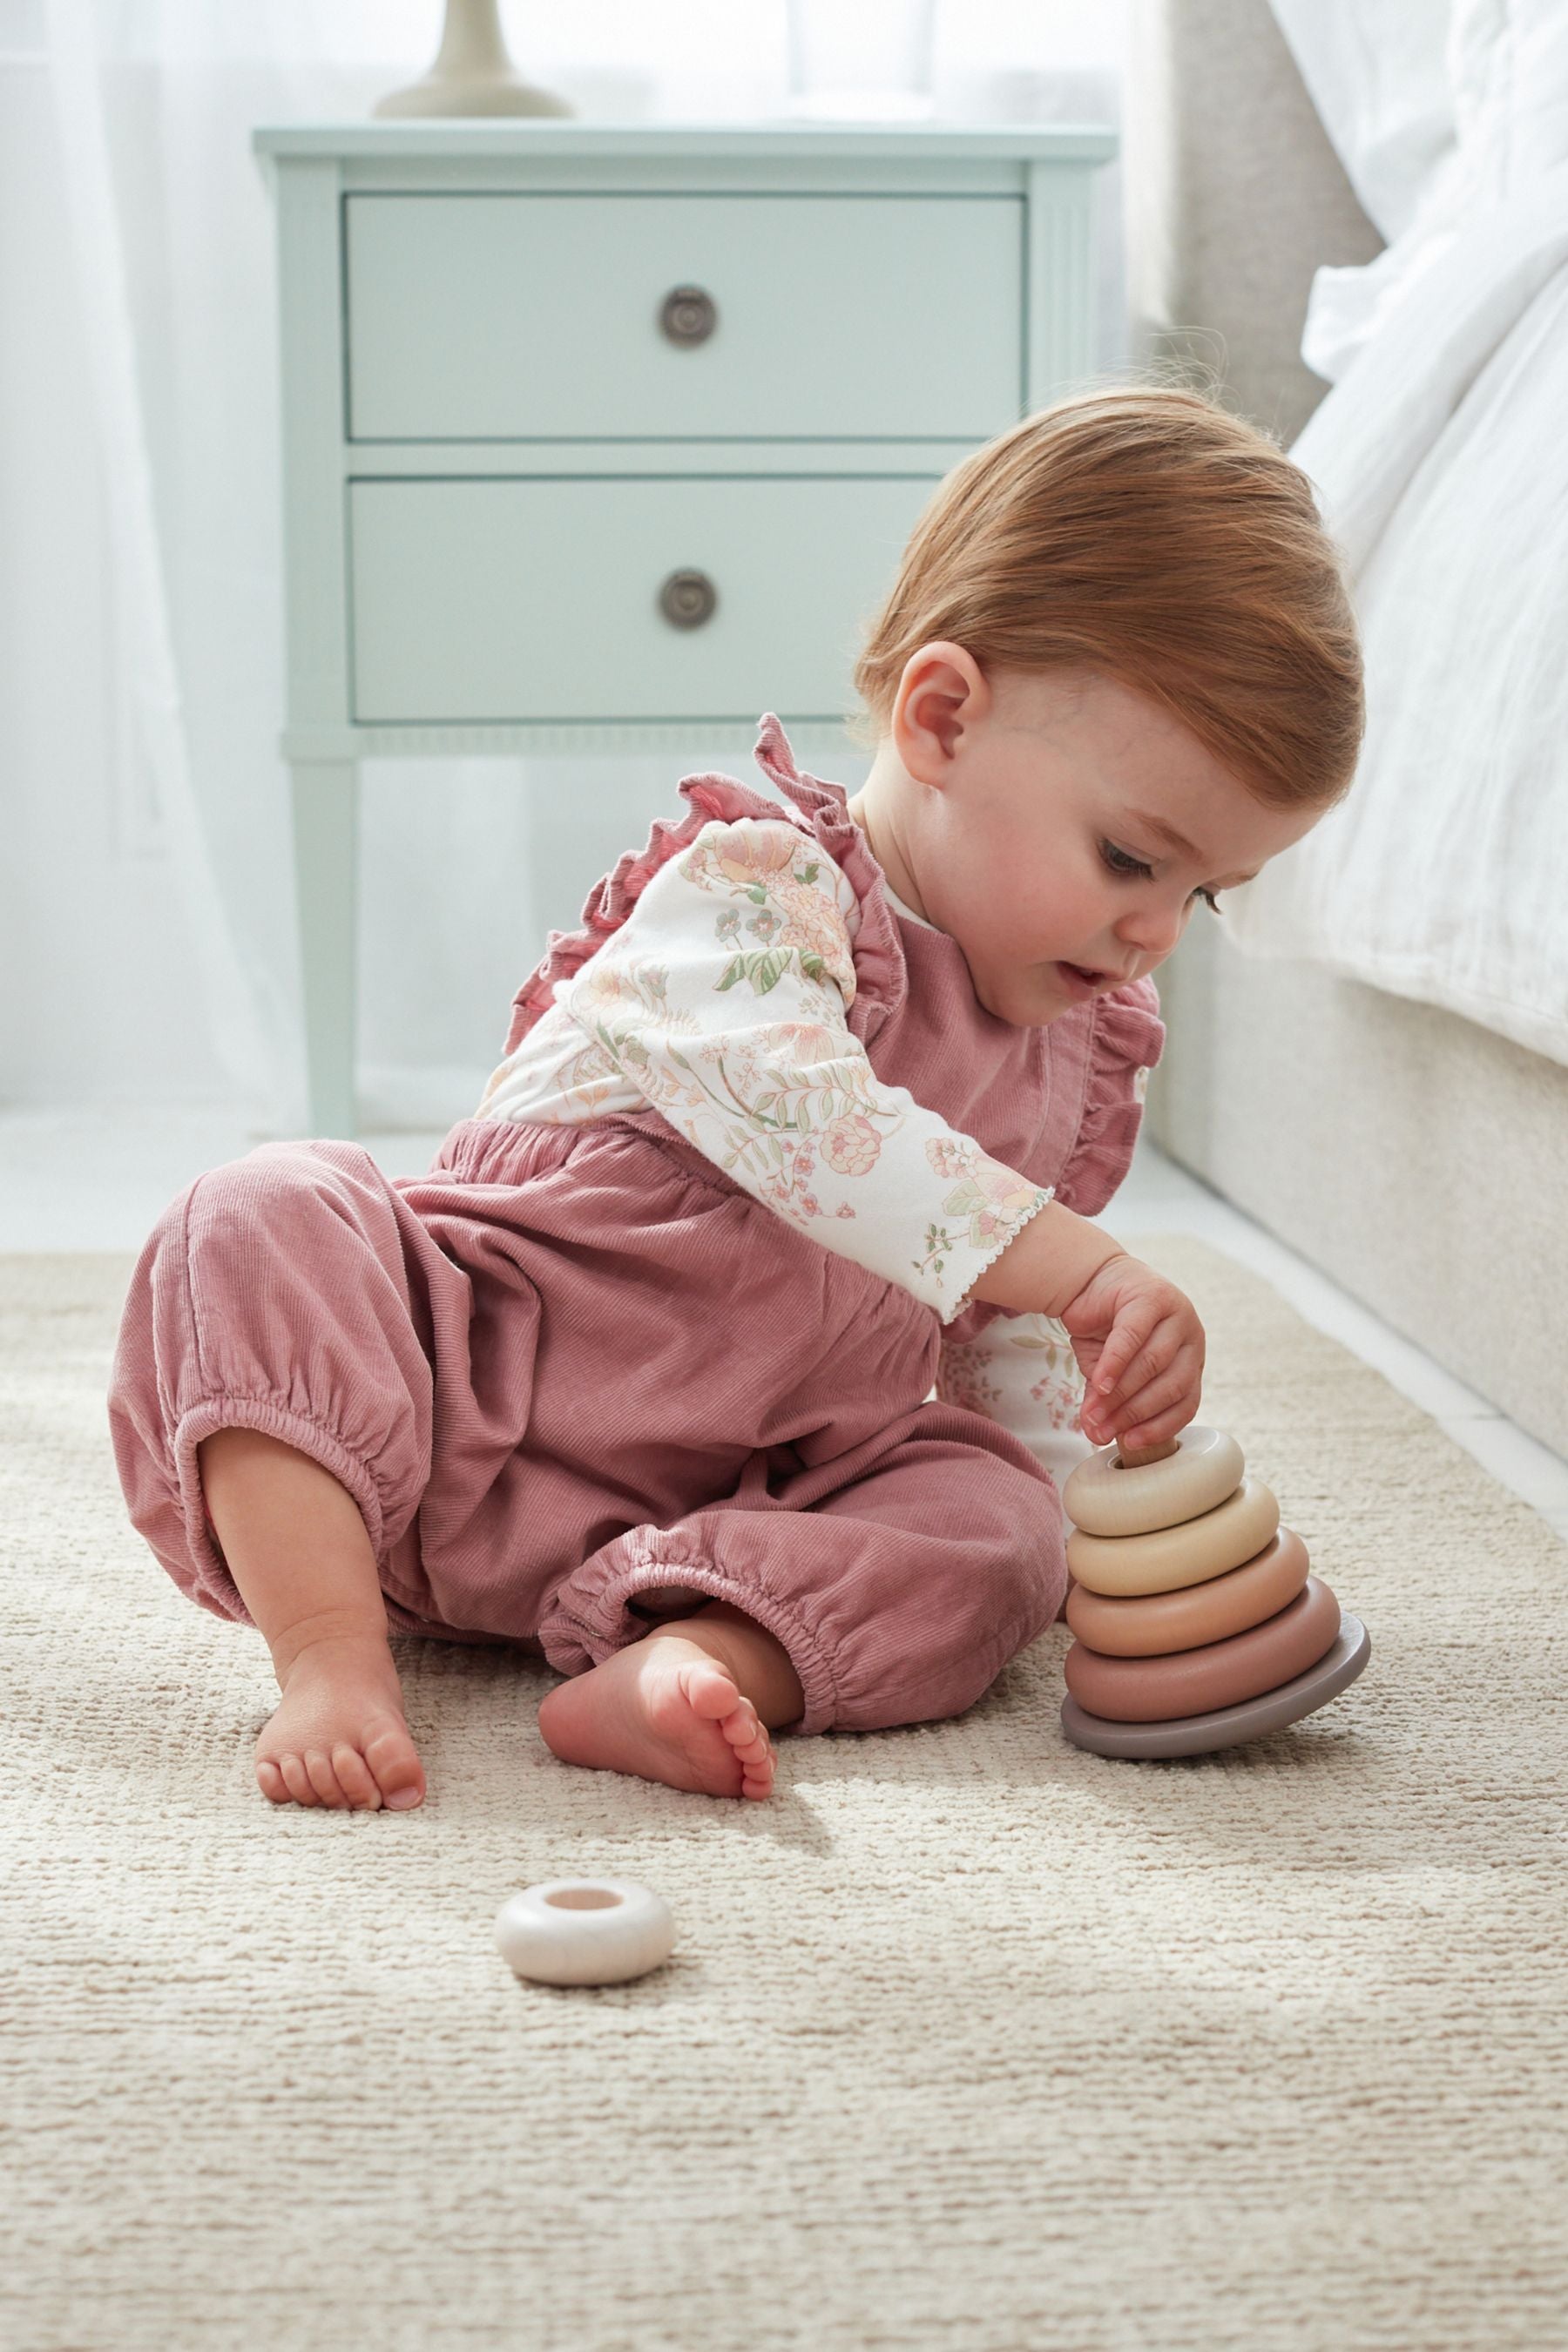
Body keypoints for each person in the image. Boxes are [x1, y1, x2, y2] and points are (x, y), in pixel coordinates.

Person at [106, 382, 1364, 1815]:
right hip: (447, 1413)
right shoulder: (759, 891)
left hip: (741, 1505)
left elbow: (1006, 1336)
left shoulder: (1068, 1048)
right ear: (942, 718)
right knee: (260, 1213)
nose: (1158, 934)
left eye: (1205, 893)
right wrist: (1081, 1261)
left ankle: (691, 1658)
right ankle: (332, 1656)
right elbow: (814, 1128)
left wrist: (1110, 1479)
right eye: (1134, 861)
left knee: (998, 1521)